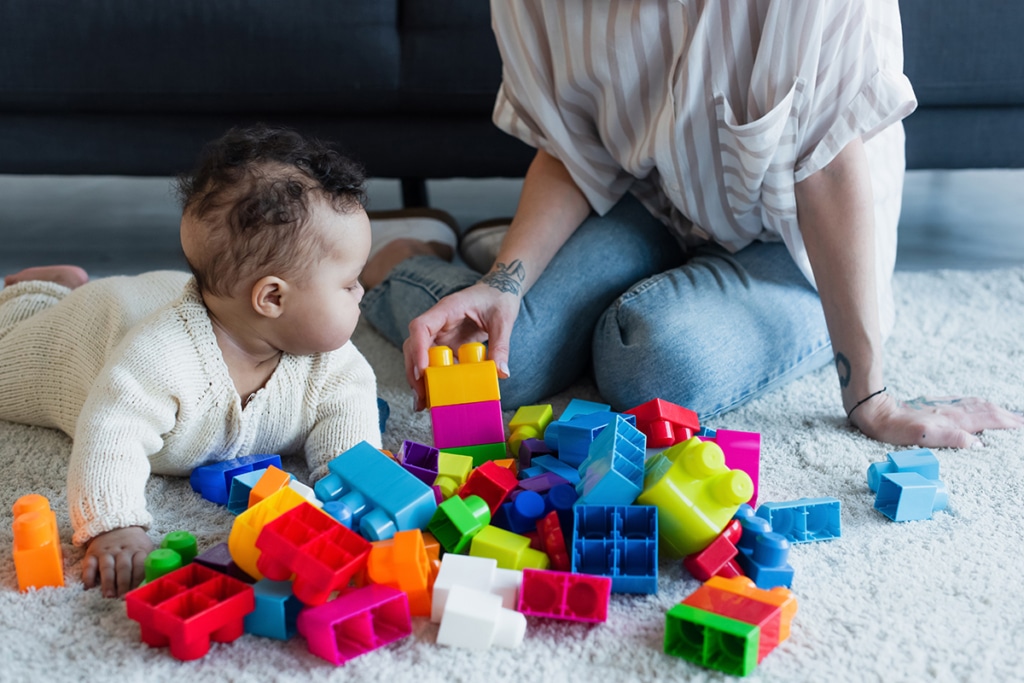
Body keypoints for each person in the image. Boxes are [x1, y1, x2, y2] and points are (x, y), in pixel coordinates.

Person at [360, 0, 1023, 448]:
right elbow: (572, 147)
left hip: (798, 240)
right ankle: (402, 257)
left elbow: (825, 166)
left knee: (650, 361)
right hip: (654, 200)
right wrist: (507, 281)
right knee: (513, 358)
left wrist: (870, 396)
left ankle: (611, 292)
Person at [0, 125, 386, 598]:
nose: (362, 291)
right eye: (348, 283)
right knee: (9, 356)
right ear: (272, 298)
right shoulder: (158, 360)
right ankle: (38, 291)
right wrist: (115, 524)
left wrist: (355, 485)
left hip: (159, 295)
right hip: (93, 330)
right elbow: (110, 432)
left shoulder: (328, 361)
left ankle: (63, 283)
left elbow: (350, 411)